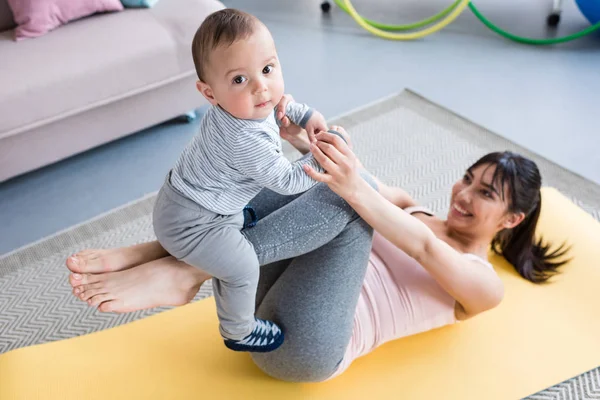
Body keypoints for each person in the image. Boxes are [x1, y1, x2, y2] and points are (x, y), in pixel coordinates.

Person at [66, 121, 568, 382]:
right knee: (322, 176)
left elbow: (417, 245)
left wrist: (347, 180)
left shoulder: (484, 285)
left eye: (485, 194)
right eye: (468, 179)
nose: (463, 195)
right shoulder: (412, 208)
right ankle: (163, 253)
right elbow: (340, 185)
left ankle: (186, 270)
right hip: (265, 304)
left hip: (307, 351)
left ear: (511, 220)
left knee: (354, 194)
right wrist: (307, 144)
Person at [152, 8, 331, 353]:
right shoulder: (242, 139)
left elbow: (282, 104)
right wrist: (320, 154)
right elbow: (289, 180)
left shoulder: (244, 105)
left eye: (267, 69)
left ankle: (232, 219)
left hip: (190, 199)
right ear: (209, 94)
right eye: (239, 79)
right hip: (193, 222)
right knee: (242, 266)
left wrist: (306, 115)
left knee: (245, 212)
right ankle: (238, 330)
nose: (261, 87)